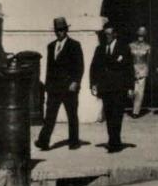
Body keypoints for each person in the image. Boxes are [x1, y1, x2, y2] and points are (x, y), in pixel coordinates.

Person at [36, 16, 84, 150]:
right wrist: (47, 85)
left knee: (72, 115)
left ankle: (74, 142)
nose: (59, 33)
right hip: (54, 88)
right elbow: (49, 68)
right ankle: (43, 141)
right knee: (50, 116)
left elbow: (79, 66)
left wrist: (76, 82)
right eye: (57, 30)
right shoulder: (51, 46)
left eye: (62, 30)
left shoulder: (74, 45)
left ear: (66, 30)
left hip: (69, 87)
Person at [90, 25, 131, 151]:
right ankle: (112, 140)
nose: (107, 36)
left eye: (109, 34)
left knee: (117, 115)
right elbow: (94, 68)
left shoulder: (123, 48)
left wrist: (130, 87)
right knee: (108, 115)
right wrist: (93, 84)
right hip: (105, 88)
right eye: (105, 34)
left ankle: (115, 142)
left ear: (115, 34)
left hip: (119, 87)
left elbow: (129, 69)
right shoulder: (100, 48)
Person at [127, 26, 151, 117]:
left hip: (142, 70)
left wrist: (145, 72)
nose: (141, 37)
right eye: (139, 35)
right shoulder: (131, 45)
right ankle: (132, 106)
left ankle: (135, 111)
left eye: (143, 35)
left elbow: (148, 61)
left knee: (139, 91)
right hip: (132, 68)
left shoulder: (148, 47)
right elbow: (128, 58)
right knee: (131, 91)